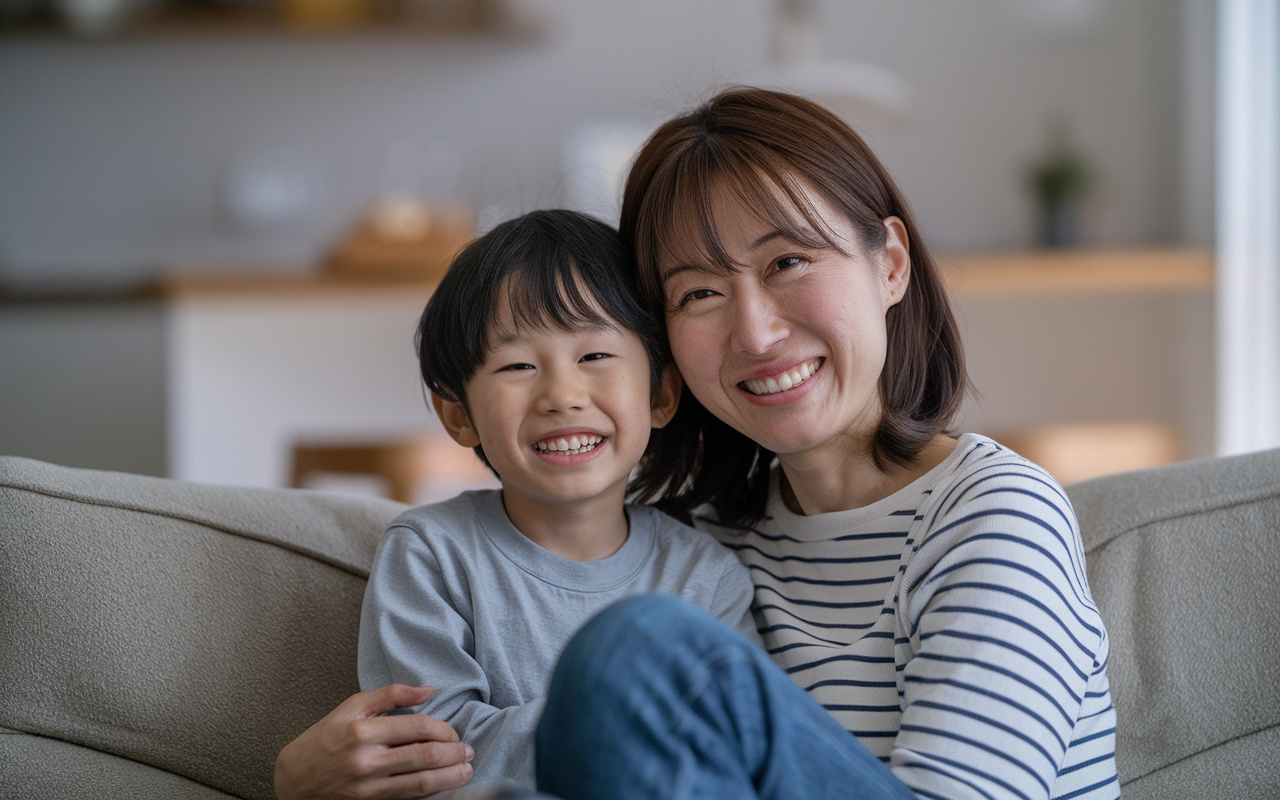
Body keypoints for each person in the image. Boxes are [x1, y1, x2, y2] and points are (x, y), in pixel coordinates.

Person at [275, 88, 1117, 800]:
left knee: (640, 653)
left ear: (889, 264)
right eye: (700, 291)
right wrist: (297, 781)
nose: (755, 330)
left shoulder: (993, 517)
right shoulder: (706, 539)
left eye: (788, 262)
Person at [356, 209, 759, 793]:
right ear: (458, 415)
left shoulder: (707, 576)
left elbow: (735, 749)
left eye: (594, 356)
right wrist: (638, 724)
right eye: (518, 365)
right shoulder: (430, 556)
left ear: (662, 394)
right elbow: (433, 756)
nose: (563, 395)